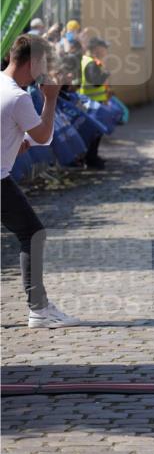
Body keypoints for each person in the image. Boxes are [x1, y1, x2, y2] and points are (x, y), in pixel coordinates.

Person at [1, 34, 81, 328]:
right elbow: (45, 137)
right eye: (43, 64)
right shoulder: (19, 97)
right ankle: (39, 309)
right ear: (32, 62)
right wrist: (50, 98)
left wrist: (14, 141)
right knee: (32, 233)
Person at [80, 37, 111, 169]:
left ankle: (92, 157)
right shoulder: (91, 63)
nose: (106, 50)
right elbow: (95, 82)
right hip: (92, 103)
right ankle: (91, 159)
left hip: (89, 101)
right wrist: (105, 74)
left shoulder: (85, 60)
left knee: (93, 132)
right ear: (97, 48)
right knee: (95, 133)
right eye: (104, 47)